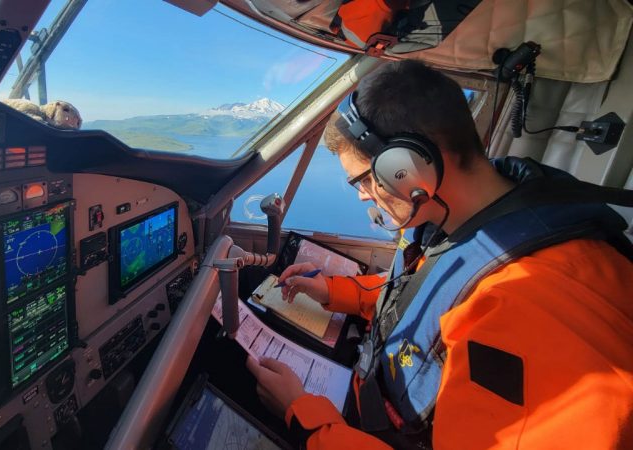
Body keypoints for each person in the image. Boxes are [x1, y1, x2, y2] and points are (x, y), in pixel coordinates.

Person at [246, 59, 633, 449]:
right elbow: (420, 295)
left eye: (363, 179)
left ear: (407, 168)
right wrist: (333, 291)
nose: (363, 194)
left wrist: (308, 420)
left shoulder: (535, 308)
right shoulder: (466, 218)